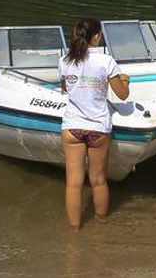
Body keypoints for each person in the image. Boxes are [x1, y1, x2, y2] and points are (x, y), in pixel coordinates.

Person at [59, 18, 130, 229]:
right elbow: (122, 95)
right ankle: (100, 228)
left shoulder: (65, 60)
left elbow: (65, 88)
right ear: (96, 36)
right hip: (98, 126)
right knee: (98, 180)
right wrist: (125, 80)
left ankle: (74, 231)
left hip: (72, 126)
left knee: (73, 183)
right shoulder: (106, 61)